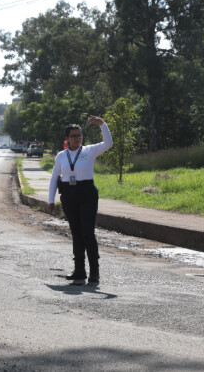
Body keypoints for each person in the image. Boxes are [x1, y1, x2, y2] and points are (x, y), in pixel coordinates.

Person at [48, 115, 112, 285]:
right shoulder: (61, 156)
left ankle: (94, 272)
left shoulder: (89, 150)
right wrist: (50, 200)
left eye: (80, 135)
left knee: (87, 233)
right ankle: (79, 271)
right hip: (69, 194)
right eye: (74, 136)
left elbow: (108, 143)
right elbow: (54, 178)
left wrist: (102, 125)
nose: (78, 138)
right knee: (76, 234)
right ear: (67, 139)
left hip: (87, 193)